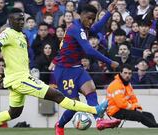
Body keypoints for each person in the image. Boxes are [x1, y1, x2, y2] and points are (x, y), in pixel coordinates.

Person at [0, 8, 109, 135]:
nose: (21, 22)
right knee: (57, 96)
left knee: (14, 113)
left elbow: (14, 58)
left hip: (16, 78)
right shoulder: (8, 33)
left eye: (22, 19)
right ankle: (95, 110)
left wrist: (7, 74)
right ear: (10, 21)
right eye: (18, 19)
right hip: (21, 79)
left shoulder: (22, 36)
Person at [51, 3, 121, 135]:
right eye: (89, 18)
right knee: (74, 105)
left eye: (93, 19)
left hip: (77, 68)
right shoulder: (75, 28)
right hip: (64, 71)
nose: (91, 22)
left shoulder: (84, 27)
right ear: (80, 15)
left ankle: (99, 120)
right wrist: (109, 61)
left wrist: (108, 13)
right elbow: (88, 50)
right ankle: (59, 125)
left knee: (91, 90)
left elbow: (95, 29)